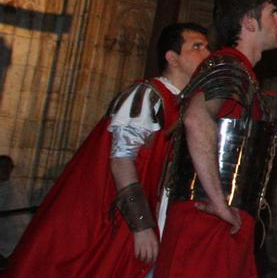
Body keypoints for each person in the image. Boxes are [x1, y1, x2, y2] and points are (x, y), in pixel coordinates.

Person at [6, 23, 209, 277]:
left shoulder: (184, 106)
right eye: (197, 47)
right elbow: (121, 159)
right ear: (172, 58)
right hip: (121, 225)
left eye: (207, 47)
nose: (207, 54)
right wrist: (141, 226)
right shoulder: (148, 96)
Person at [156, 0, 277, 278]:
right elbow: (195, 119)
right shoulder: (228, 65)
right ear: (249, 23)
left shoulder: (241, 73)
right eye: (273, 14)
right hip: (207, 222)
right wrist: (218, 202)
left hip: (224, 221)